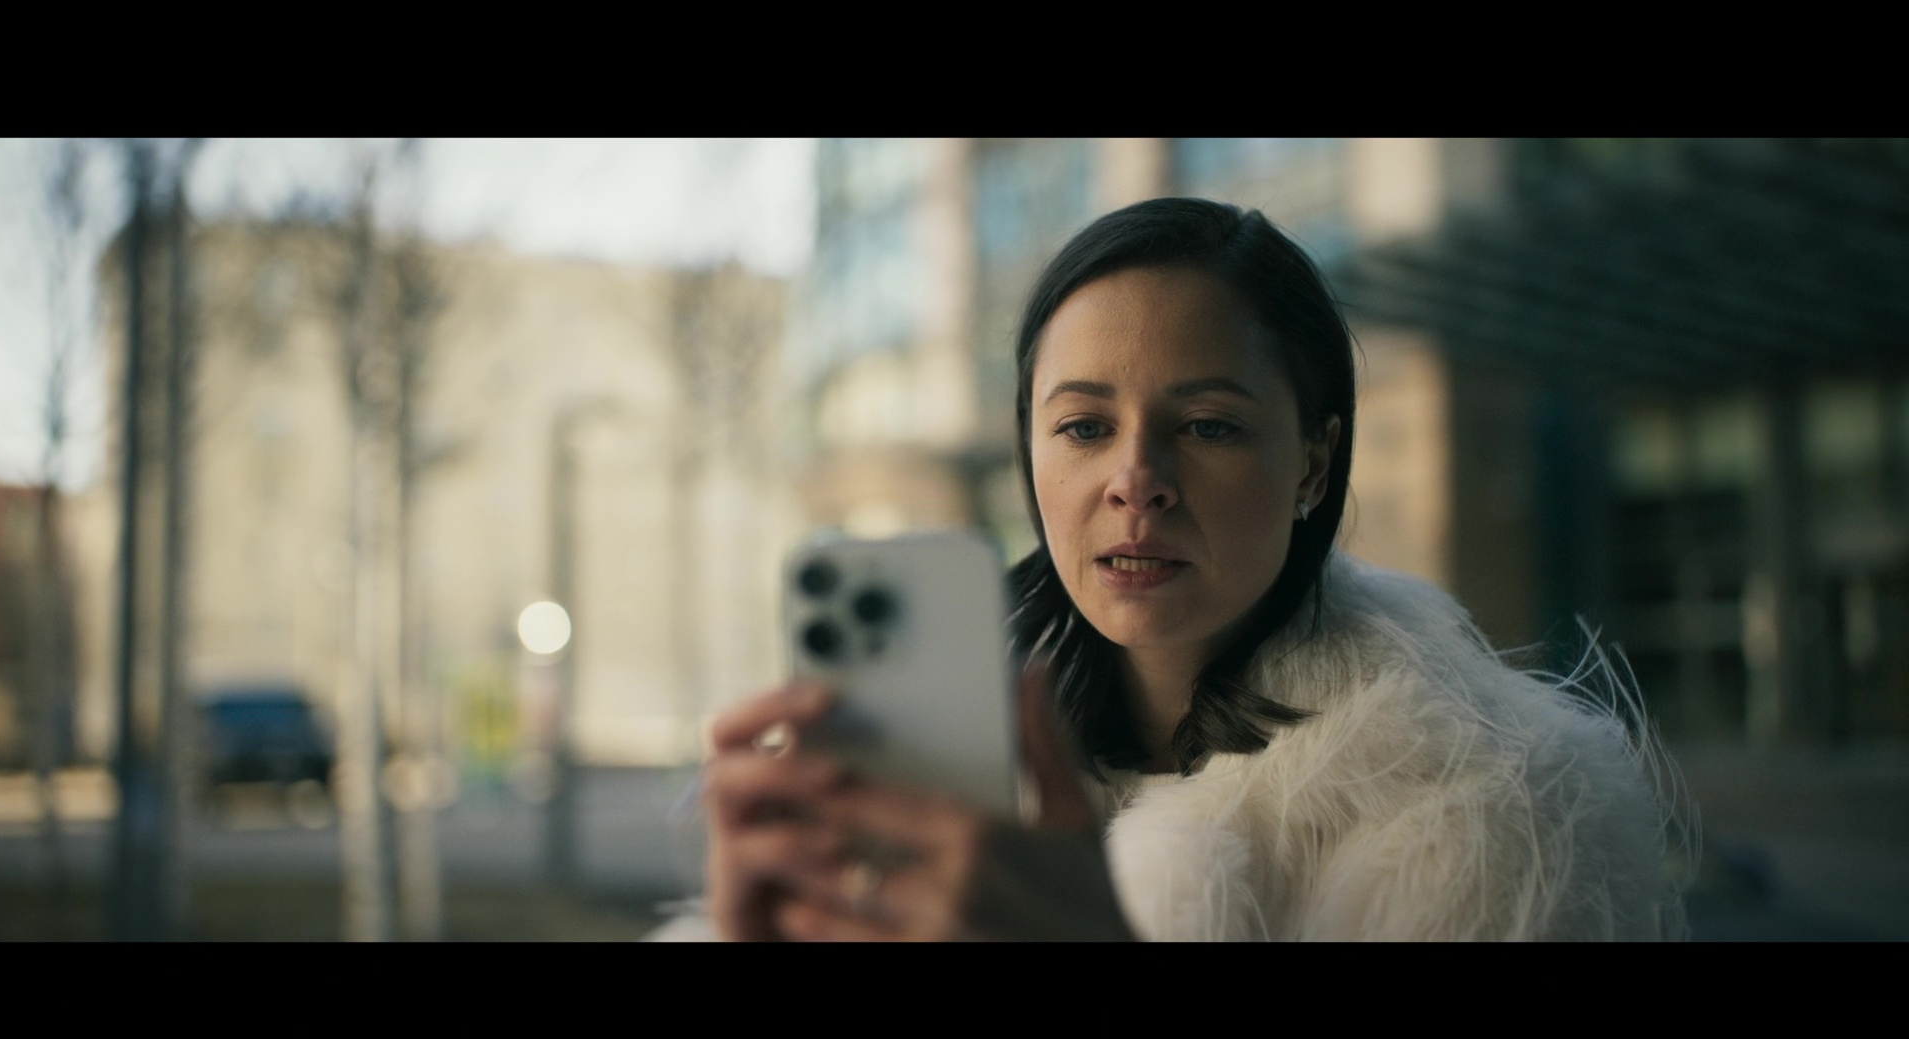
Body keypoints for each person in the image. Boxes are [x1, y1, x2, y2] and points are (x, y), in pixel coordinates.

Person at [654, 197, 1687, 942]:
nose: (1136, 481)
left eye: (1208, 426)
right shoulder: (951, 790)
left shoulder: (1489, 820)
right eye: (1084, 427)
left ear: (1313, 463)